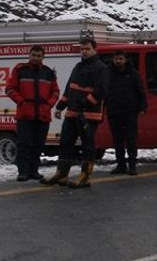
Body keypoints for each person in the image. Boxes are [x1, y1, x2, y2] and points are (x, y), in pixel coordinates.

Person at [42, 37, 110, 188]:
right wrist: (60, 106)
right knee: (65, 142)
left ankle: (85, 175)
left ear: (94, 49)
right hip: (71, 113)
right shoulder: (78, 67)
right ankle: (62, 174)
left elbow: (101, 91)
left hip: (88, 116)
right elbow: (69, 88)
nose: (84, 51)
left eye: (87, 49)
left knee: (87, 145)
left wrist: (84, 103)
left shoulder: (101, 68)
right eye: (82, 49)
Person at [5, 45, 60, 181]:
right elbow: (10, 89)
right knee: (23, 144)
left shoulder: (48, 72)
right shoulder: (20, 70)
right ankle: (23, 172)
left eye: (38, 55)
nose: (36, 58)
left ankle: (34, 171)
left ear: (43, 57)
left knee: (38, 144)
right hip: (25, 114)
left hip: (43, 114)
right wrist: (21, 102)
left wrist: (49, 104)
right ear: (29, 55)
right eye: (33, 55)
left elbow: (55, 91)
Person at [105, 51, 147, 175]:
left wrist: (143, 108)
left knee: (131, 140)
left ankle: (132, 165)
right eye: (116, 58)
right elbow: (103, 91)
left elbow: (141, 92)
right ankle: (121, 165)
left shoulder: (133, 74)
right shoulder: (108, 74)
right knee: (117, 140)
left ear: (126, 60)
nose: (118, 61)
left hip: (130, 113)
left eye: (120, 58)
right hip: (114, 112)